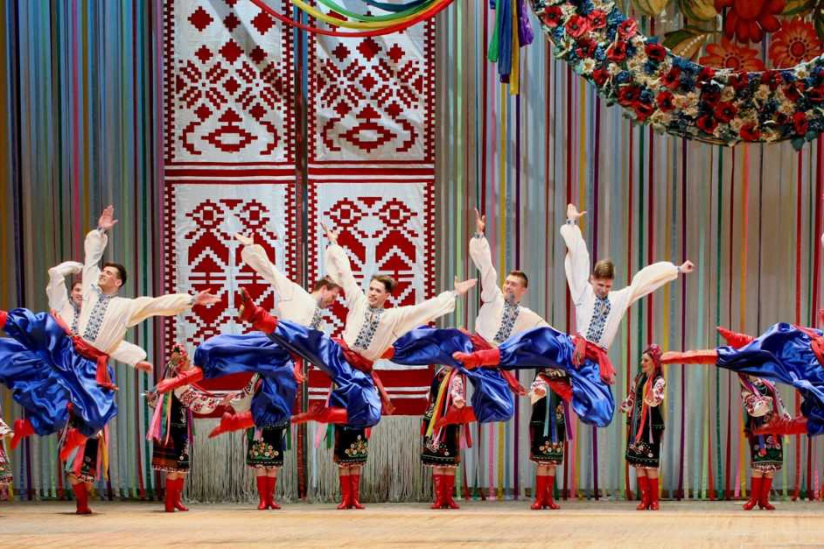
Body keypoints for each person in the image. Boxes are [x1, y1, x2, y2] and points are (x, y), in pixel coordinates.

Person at [234, 224, 477, 509]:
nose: (372, 293)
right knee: (311, 342)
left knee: (361, 421)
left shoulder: (395, 317)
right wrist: (335, 246)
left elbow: (424, 308)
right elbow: (346, 274)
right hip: (339, 359)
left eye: (377, 291)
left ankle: (352, 495)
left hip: (360, 373)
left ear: (387, 295)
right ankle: (258, 318)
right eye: (371, 288)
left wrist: (454, 294)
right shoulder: (357, 300)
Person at [453, 204, 694, 428]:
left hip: (591, 362)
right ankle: (478, 358)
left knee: (603, 413)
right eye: (600, 285)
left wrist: (676, 270)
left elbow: (644, 281)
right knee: (537, 338)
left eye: (607, 287)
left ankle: (563, 387)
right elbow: (579, 257)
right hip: (571, 348)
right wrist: (571, 224)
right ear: (592, 280)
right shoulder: (583, 292)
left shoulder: (619, 299)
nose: (603, 290)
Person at [147, 343, 225, 513]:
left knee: (181, 468)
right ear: (181, 363)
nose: (191, 363)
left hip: (180, 428)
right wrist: (220, 401)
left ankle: (176, 501)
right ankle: (170, 503)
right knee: (174, 468)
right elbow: (196, 401)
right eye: (188, 360)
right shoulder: (178, 384)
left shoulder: (177, 382)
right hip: (172, 430)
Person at [620, 345, 666, 511]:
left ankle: (654, 501)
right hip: (636, 424)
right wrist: (625, 406)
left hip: (650, 426)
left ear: (654, 362)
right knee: (639, 464)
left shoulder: (659, 381)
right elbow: (632, 397)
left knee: (650, 464)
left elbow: (656, 399)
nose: (642, 363)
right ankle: (645, 500)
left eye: (645, 360)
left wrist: (653, 395)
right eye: (642, 360)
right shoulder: (638, 378)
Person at [738, 374, 791, 511]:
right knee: (758, 465)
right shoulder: (746, 388)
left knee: (771, 465)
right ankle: (753, 499)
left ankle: (764, 500)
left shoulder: (769, 383)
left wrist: (783, 415)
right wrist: (762, 404)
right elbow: (753, 409)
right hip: (759, 429)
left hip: (774, 427)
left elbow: (777, 402)